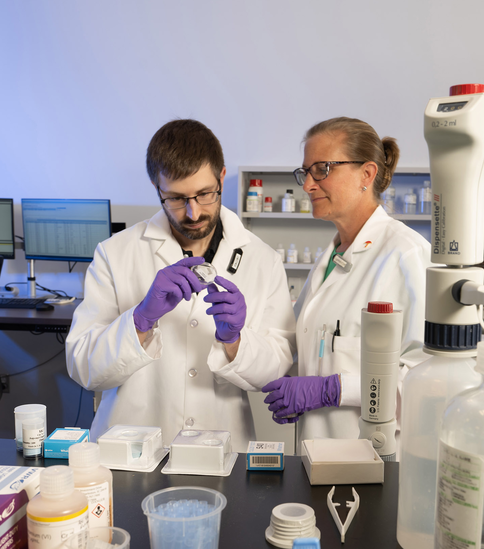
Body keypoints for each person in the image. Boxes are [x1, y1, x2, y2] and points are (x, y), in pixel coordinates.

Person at [66, 119, 296, 452]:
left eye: (205, 194)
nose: (193, 212)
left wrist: (235, 341)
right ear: (156, 187)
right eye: (175, 198)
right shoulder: (115, 253)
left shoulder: (263, 260)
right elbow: (83, 368)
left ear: (221, 177)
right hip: (130, 452)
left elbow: (274, 373)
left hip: (222, 451)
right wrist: (141, 320)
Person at [261, 117, 430, 446]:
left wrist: (332, 390)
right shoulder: (331, 260)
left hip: (377, 461)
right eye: (305, 172)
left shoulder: (406, 255)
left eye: (322, 169)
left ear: (367, 174)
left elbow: (427, 383)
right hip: (319, 455)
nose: (309, 185)